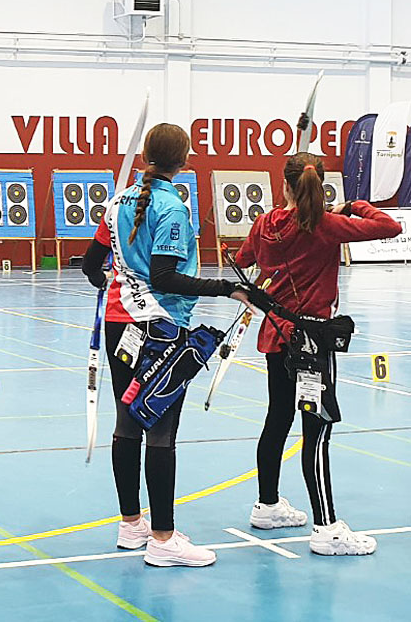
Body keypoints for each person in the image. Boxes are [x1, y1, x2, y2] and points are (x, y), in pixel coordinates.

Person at [81, 124, 249, 567]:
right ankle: (162, 538)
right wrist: (226, 288)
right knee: (160, 429)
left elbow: (91, 264)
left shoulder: (117, 201)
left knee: (126, 420)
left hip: (120, 324)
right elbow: (164, 277)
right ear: (184, 160)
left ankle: (131, 524)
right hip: (160, 328)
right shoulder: (171, 207)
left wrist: (112, 282)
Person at [236, 152, 400, 555]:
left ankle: (268, 504)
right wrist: (349, 205)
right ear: (319, 187)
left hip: (276, 338)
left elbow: (243, 262)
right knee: (317, 431)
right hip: (310, 342)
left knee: (278, 418)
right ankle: (327, 529)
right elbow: (389, 225)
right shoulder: (326, 225)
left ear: (285, 184)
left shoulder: (265, 224)